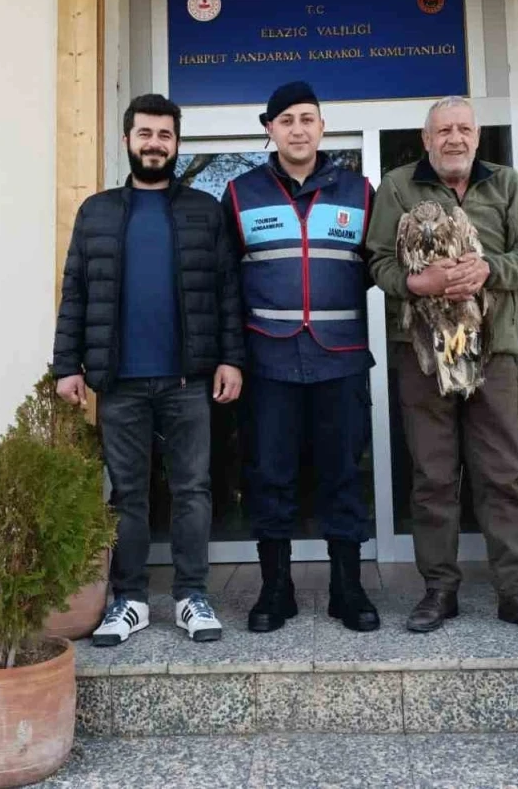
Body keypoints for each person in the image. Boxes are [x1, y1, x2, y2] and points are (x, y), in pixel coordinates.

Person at [366, 95, 518, 637]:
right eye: (443, 131)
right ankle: (440, 590)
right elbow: (378, 262)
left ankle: (516, 592)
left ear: (476, 136)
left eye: (463, 129)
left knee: (502, 473)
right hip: (423, 353)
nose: (454, 139)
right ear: (426, 139)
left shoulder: (506, 185)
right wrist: (419, 283)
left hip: (492, 350)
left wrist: (488, 270)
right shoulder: (397, 187)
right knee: (433, 475)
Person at [52, 93, 245, 646]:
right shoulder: (97, 212)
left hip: (188, 380)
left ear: (176, 143)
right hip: (121, 382)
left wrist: (231, 358)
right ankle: (130, 599)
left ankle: (191, 596)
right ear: (127, 141)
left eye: (165, 135)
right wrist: (67, 365)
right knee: (127, 494)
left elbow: (228, 292)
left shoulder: (204, 211)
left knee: (193, 490)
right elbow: (76, 293)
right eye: (146, 134)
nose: (155, 144)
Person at [221, 81, 380, 633]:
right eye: (286, 120)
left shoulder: (360, 192)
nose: (298, 129)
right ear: (270, 129)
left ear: (322, 127)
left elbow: (381, 268)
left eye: (307, 119)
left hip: (341, 360)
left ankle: (347, 589)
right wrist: (230, 356)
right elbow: (225, 285)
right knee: (270, 476)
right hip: (269, 362)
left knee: (343, 475)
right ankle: (276, 589)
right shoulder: (239, 193)